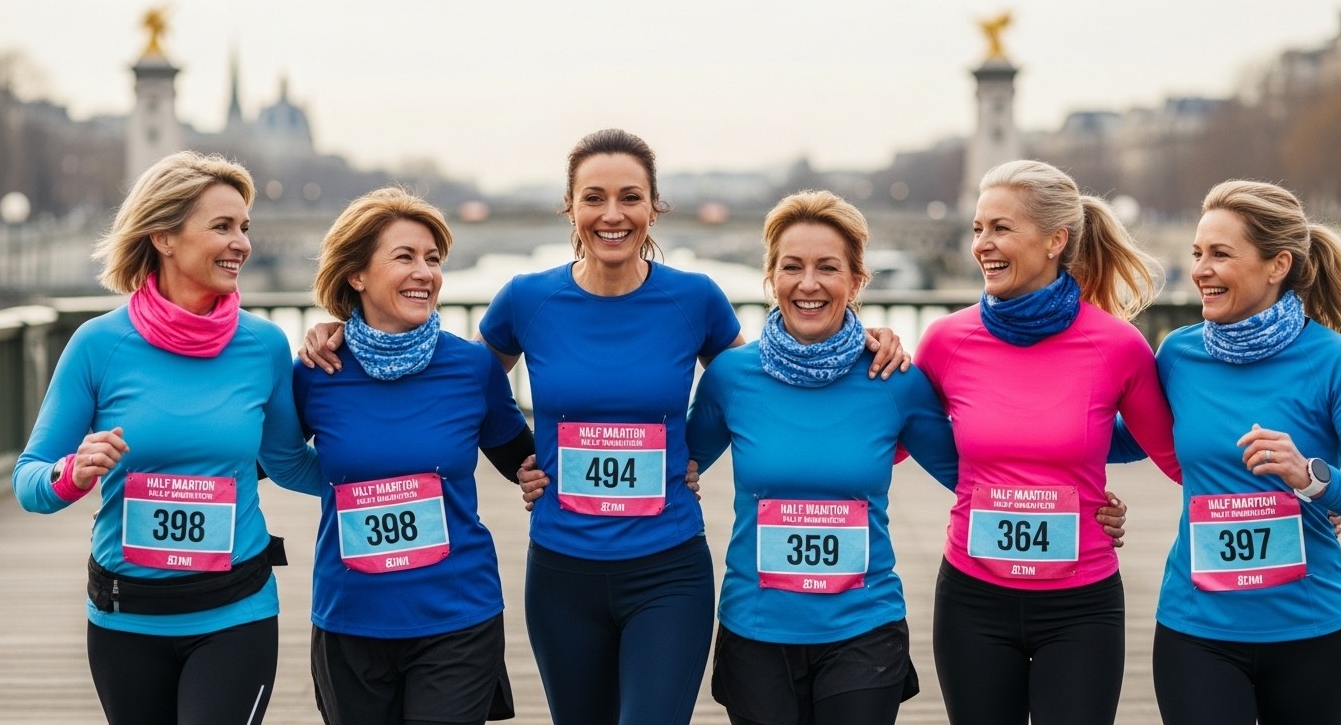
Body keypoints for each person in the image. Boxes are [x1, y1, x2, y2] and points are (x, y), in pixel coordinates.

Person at [302, 128, 910, 725]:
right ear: (570, 207)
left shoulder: (695, 299)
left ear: (654, 207)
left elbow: (760, 387)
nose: (612, 214)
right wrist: (349, 335)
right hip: (562, 574)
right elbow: (456, 382)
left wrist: (855, 341)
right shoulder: (527, 299)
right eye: (594, 197)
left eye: (630, 197)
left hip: (668, 570)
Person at [12, 151, 324, 725]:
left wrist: (394, 469)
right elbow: (29, 480)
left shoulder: (264, 346)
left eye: (244, 227)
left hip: (236, 613)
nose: (241, 244)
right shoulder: (98, 344)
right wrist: (71, 472)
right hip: (126, 618)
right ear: (163, 237)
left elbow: (290, 464)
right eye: (222, 226)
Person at [909, 159, 1182, 725]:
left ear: (1056, 240)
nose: (982, 244)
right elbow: (882, 437)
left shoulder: (1118, 346)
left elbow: (1174, 453)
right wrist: (861, 350)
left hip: (1081, 607)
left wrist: (1302, 489)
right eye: (978, 229)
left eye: (1000, 228)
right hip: (972, 601)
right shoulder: (944, 341)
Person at [683, 190, 959, 724]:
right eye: (792, 267)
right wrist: (548, 472)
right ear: (771, 278)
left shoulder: (894, 380)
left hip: (864, 630)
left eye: (828, 268)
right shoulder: (730, 378)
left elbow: (974, 478)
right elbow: (671, 469)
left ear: (856, 281)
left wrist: (1081, 505)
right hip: (756, 630)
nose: (808, 284)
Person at [1144, 180, 1341, 725]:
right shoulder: (1178, 355)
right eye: (1197, 253)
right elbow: (1112, 435)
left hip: (1311, 634)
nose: (1200, 270)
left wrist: (1314, 478)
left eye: (1220, 254)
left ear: (1278, 264)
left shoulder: (1335, 360)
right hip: (1196, 632)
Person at [293, 188, 534, 725]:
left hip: (457, 617)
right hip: (350, 618)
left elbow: (526, 462)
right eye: (404, 257)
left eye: (433, 259)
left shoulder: (473, 368)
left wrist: (663, 457)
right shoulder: (316, 372)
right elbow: (262, 459)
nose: (425, 273)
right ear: (356, 275)